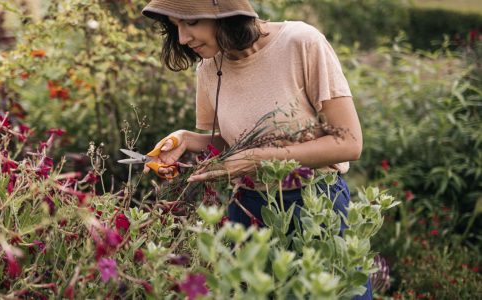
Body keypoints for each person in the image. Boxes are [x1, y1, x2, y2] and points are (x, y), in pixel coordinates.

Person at [141, 0, 371, 298]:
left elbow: (349, 142)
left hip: (316, 206)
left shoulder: (300, 43)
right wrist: (188, 140)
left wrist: (259, 160)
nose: (183, 38)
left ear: (225, 12)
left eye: (191, 22)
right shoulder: (209, 68)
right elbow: (234, 140)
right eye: (176, 26)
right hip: (249, 211)